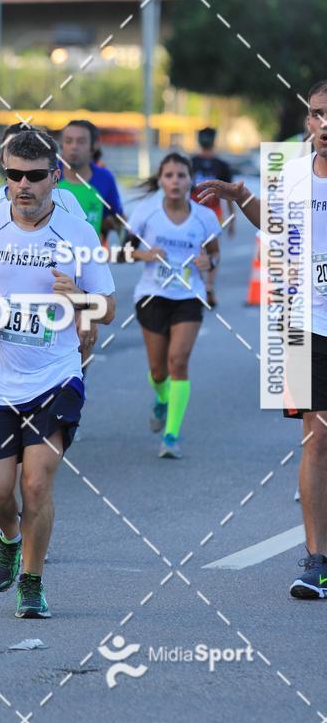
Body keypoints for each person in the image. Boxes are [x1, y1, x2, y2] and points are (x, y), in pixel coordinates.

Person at [0, 130, 116, 618]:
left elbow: (107, 305)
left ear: (54, 177)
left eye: (35, 177)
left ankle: (32, 583)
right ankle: (9, 536)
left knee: (37, 483)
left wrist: (78, 299)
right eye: (14, 175)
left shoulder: (75, 229)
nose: (23, 185)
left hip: (55, 375)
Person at [197, 80, 327, 599]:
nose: (325, 125)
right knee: (316, 442)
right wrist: (241, 197)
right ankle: (317, 560)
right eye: (318, 114)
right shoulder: (295, 174)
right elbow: (277, 226)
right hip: (305, 324)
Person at [128, 153, 221, 458]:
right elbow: (124, 252)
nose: (175, 181)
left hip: (188, 297)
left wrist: (209, 263)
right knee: (158, 370)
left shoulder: (204, 217)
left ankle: (171, 435)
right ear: (160, 179)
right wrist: (146, 254)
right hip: (152, 296)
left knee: (177, 361)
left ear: (190, 180)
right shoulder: (146, 212)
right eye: (169, 175)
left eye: (181, 175)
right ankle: (162, 397)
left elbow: (215, 254)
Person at [190, 127, 235, 308]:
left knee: (207, 249)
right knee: (207, 249)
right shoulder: (190, 162)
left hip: (211, 213)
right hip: (194, 212)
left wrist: (232, 218)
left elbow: (230, 193)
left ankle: (206, 286)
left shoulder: (221, 166)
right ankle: (206, 285)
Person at [58, 119, 124, 239]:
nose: (74, 146)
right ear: (62, 144)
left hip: (89, 255)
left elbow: (116, 220)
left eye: (81, 142)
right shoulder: (45, 174)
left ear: (94, 145)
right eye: (68, 141)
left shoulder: (105, 179)